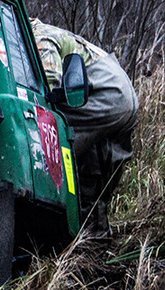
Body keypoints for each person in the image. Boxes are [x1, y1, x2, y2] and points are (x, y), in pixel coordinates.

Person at [30, 19, 139, 235]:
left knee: (50, 148)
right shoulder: (52, 31)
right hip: (121, 94)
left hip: (106, 95)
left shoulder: (38, 36)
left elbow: (46, 89)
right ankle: (94, 237)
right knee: (96, 166)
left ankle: (59, 234)